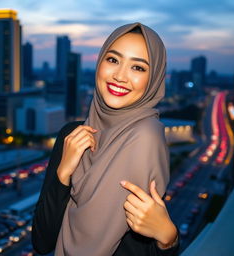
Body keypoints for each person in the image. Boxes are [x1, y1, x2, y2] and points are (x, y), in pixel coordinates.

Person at [32, 22, 179, 256]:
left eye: (138, 68)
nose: (120, 76)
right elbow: (42, 241)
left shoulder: (145, 137)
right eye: (113, 60)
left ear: (154, 79)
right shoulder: (72, 135)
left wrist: (167, 238)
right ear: (99, 63)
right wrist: (62, 174)